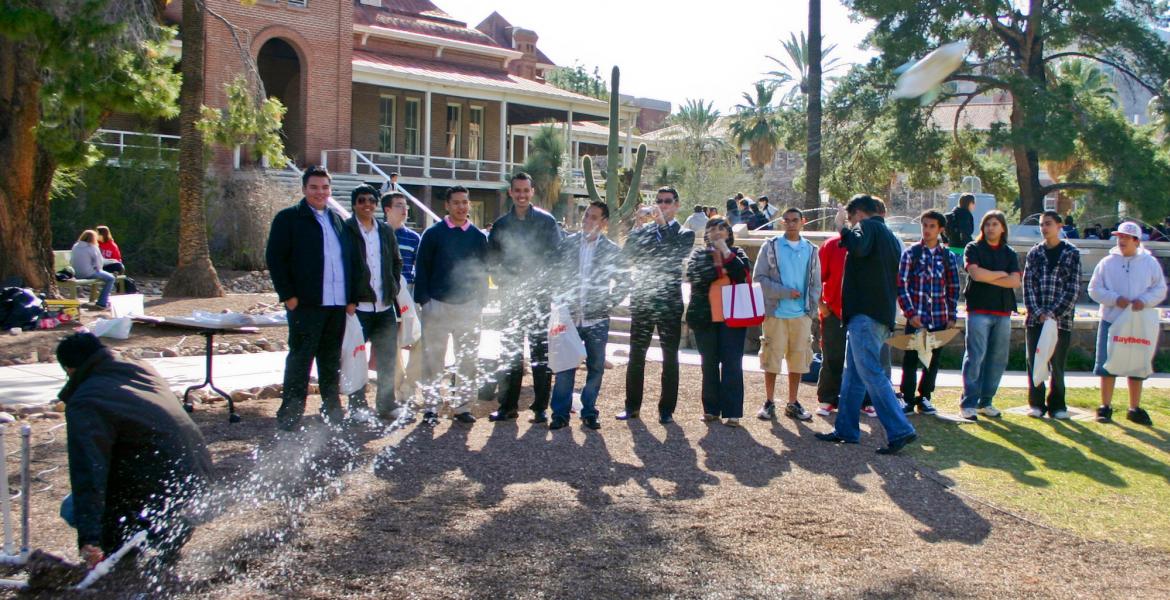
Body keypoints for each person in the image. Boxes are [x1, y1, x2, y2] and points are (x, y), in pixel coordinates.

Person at [56, 332, 211, 568]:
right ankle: (169, 528)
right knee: (142, 474)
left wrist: (90, 538)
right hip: (197, 485)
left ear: (70, 369)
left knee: (71, 507)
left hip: (159, 492)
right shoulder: (139, 369)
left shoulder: (87, 401)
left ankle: (130, 539)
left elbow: (88, 470)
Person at [815, 194, 917, 454]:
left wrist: (843, 227)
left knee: (871, 371)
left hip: (865, 314)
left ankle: (899, 429)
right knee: (853, 374)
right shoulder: (892, 238)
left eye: (851, 217)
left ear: (859, 213)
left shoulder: (868, 226)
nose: (850, 222)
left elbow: (857, 247)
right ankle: (847, 429)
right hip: (879, 313)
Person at [266, 166, 353, 430]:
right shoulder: (288, 218)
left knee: (330, 360)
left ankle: (332, 411)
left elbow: (348, 260)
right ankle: (290, 414)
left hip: (336, 304)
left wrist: (350, 298)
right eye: (314, 187)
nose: (320, 192)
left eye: (325, 187)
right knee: (301, 359)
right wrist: (288, 296)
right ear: (304, 189)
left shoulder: (338, 220)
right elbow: (275, 259)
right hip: (305, 304)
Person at [487, 172, 562, 423]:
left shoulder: (546, 221)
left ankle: (540, 408)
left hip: (538, 299)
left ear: (532, 192)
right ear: (510, 192)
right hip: (510, 299)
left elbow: (556, 259)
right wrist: (505, 281)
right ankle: (508, 406)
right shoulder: (500, 226)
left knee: (540, 354)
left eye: (525, 190)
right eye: (516, 190)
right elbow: (492, 262)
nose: (521, 195)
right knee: (510, 353)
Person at [548, 200, 630, 430]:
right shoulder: (568, 244)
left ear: (604, 223)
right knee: (565, 365)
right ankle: (560, 414)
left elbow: (625, 282)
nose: (587, 221)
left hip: (597, 319)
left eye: (593, 217)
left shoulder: (612, 250)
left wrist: (608, 302)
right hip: (569, 317)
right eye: (586, 216)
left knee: (595, 367)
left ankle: (589, 411)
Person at [618, 186, 695, 424]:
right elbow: (627, 255)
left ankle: (666, 410)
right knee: (636, 355)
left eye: (667, 201)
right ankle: (632, 407)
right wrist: (637, 227)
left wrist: (661, 224)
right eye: (659, 201)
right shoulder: (647, 231)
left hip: (669, 303)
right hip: (643, 298)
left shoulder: (685, 233)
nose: (662, 205)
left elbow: (674, 252)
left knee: (669, 356)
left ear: (676, 204)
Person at [414, 185, 488, 425]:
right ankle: (431, 407)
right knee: (433, 361)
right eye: (456, 202)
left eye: (465, 202)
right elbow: (422, 268)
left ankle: (463, 407)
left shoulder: (477, 236)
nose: (461, 207)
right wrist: (424, 301)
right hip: (437, 305)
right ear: (447, 205)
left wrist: (480, 302)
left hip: (468, 306)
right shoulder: (433, 233)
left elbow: (482, 271)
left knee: (467, 360)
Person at [1087, 221, 1167, 425]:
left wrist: (1144, 301)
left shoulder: (1149, 263)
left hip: (1138, 321)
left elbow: (1160, 289)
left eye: (1126, 237)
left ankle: (1134, 407)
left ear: (1136, 241)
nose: (1121, 240)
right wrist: (1115, 299)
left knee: (1137, 364)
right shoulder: (1107, 262)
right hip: (1112, 320)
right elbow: (1094, 289)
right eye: (1119, 237)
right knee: (1107, 363)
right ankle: (1105, 406)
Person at [753, 207, 820, 422]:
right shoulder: (770, 246)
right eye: (787, 220)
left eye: (795, 220)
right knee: (771, 358)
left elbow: (816, 283)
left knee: (798, 359)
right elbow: (759, 278)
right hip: (776, 313)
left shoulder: (811, 249)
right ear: (783, 222)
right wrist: (784, 292)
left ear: (803, 222)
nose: (791, 224)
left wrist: (810, 310)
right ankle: (769, 401)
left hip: (801, 315)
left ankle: (793, 402)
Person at [343, 184, 402, 421]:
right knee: (356, 358)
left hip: (384, 305)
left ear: (377, 204)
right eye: (361, 200)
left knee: (388, 359)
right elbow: (343, 265)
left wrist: (393, 288)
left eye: (371, 200)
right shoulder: (346, 230)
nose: (367, 204)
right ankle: (357, 406)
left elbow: (396, 263)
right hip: (358, 307)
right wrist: (349, 299)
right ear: (354, 204)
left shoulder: (385, 231)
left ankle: (386, 405)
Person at [686, 218, 751, 426]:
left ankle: (733, 412)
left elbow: (742, 274)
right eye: (712, 228)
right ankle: (711, 409)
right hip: (706, 318)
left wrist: (725, 252)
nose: (717, 232)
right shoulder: (698, 254)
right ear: (706, 234)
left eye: (721, 228)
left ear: (729, 233)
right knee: (709, 364)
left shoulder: (738, 253)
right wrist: (722, 270)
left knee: (732, 364)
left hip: (733, 317)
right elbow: (696, 276)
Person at [896, 210, 960, 415]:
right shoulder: (911, 253)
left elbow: (953, 286)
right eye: (924, 225)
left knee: (932, 360)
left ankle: (925, 396)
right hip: (917, 317)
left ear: (940, 229)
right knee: (911, 359)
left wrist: (951, 314)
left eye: (932, 226)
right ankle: (907, 397)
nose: (927, 230)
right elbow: (902, 285)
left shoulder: (947, 256)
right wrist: (910, 312)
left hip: (939, 316)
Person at [959, 210, 1021, 420]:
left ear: (1002, 228)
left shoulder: (1009, 253)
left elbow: (1015, 282)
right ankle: (969, 402)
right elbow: (975, 274)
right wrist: (1001, 274)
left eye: (995, 224)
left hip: (1002, 312)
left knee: (998, 359)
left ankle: (986, 402)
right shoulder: (973, 248)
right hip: (979, 310)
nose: (990, 228)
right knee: (975, 357)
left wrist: (989, 277)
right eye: (987, 224)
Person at [1023, 210, 1082, 420]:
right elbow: (1028, 285)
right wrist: (1038, 312)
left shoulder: (1071, 253)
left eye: (1048, 224)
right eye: (1041, 225)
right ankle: (1036, 404)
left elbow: (1073, 288)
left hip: (1060, 320)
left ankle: (1057, 404)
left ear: (1059, 226)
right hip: (1035, 319)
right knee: (1035, 361)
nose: (1044, 228)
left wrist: (1054, 313)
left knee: (1057, 363)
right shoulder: (1034, 253)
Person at [385, 192, 423, 415]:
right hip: (387, 297)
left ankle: (410, 386)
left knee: (419, 341)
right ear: (388, 209)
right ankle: (397, 391)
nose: (404, 210)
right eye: (399, 206)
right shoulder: (378, 234)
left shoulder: (414, 238)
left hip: (408, 294)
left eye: (405, 206)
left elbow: (418, 267)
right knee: (392, 345)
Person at [71, 230, 116, 310]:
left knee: (103, 276)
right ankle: (102, 303)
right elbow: (99, 264)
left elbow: (72, 261)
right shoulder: (92, 247)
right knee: (111, 278)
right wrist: (98, 269)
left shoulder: (75, 246)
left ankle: (100, 301)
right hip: (88, 273)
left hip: (75, 273)